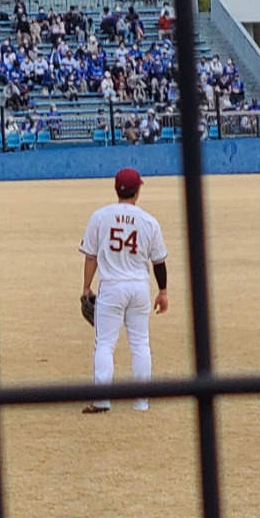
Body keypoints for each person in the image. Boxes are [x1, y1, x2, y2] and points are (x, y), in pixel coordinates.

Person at [78, 168, 168, 415]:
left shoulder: (100, 217)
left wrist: (86, 287)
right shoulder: (148, 221)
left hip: (111, 286)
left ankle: (101, 400)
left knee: (105, 344)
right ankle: (141, 402)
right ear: (137, 190)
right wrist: (163, 292)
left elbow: (91, 256)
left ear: (116, 189)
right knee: (140, 343)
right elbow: (158, 262)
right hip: (139, 286)